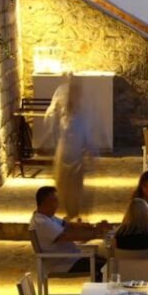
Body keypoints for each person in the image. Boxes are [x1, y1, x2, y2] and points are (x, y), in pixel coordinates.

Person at [29, 186, 108, 281]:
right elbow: (69, 236)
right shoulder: (42, 223)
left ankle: (98, 292)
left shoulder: (48, 217)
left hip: (71, 258)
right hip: (63, 264)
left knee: (105, 261)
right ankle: (97, 294)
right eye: (55, 201)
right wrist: (96, 233)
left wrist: (91, 227)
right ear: (47, 202)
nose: (58, 204)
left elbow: (69, 225)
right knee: (104, 266)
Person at [52, 77, 93, 219]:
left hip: (76, 156)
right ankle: (70, 214)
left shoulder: (82, 115)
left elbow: (86, 133)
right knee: (64, 187)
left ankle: (74, 214)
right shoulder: (62, 116)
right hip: (64, 154)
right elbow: (55, 128)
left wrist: (90, 150)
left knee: (75, 188)